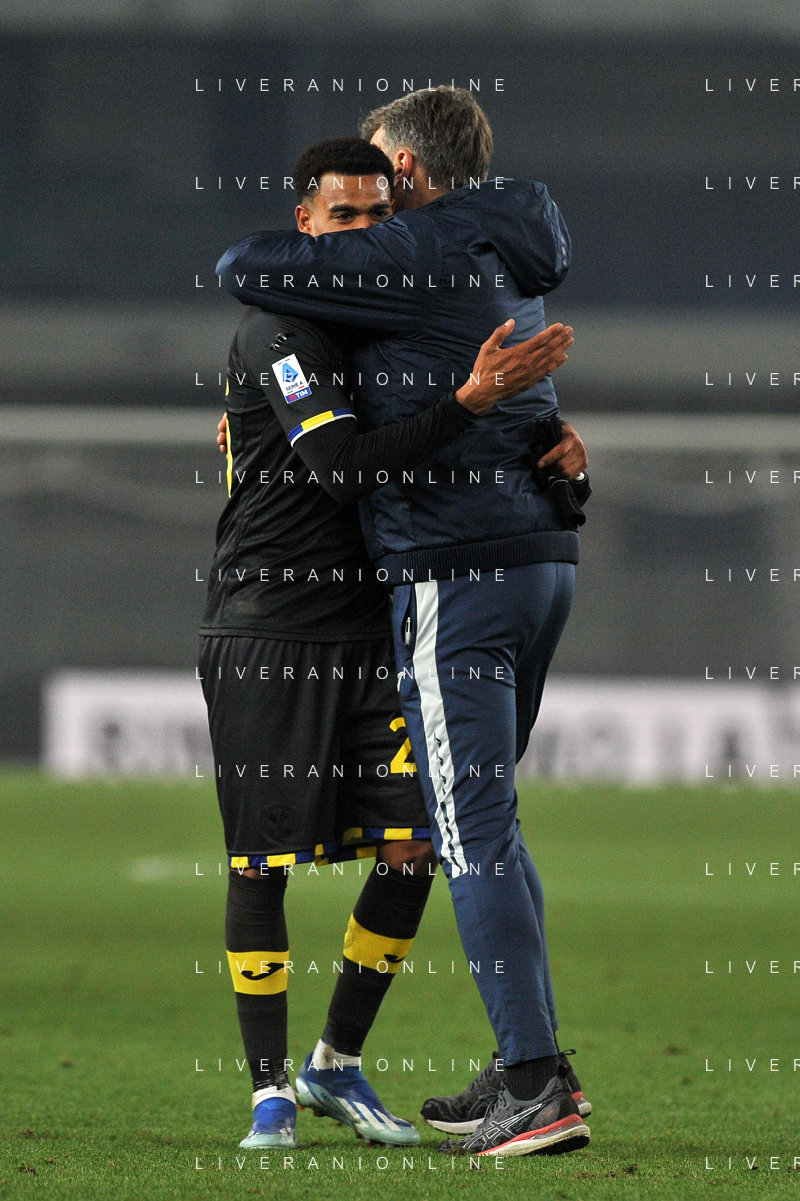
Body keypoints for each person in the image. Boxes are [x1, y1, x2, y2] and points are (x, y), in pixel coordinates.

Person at [216, 87, 593, 1159]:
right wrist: (557, 460)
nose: (366, 222)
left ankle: (533, 1083)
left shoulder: (412, 252)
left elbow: (240, 265)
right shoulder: (504, 255)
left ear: (409, 174)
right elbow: (517, 412)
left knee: (462, 832)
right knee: (483, 825)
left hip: (454, 570)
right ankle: (527, 1064)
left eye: (378, 190)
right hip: (534, 557)